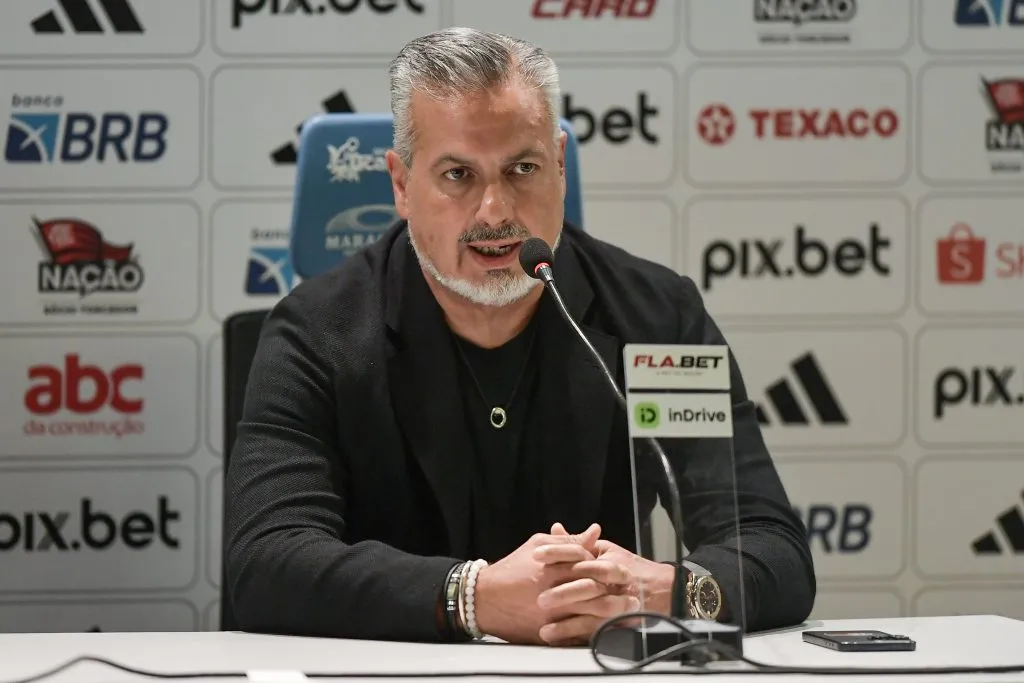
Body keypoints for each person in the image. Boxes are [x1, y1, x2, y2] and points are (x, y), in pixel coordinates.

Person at [224, 26, 815, 647]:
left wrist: (666, 589)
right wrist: (470, 598)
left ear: (559, 165)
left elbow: (772, 548)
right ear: (400, 185)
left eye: (522, 168)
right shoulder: (317, 331)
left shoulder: (657, 320)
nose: (495, 212)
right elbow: (265, 562)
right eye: (458, 175)